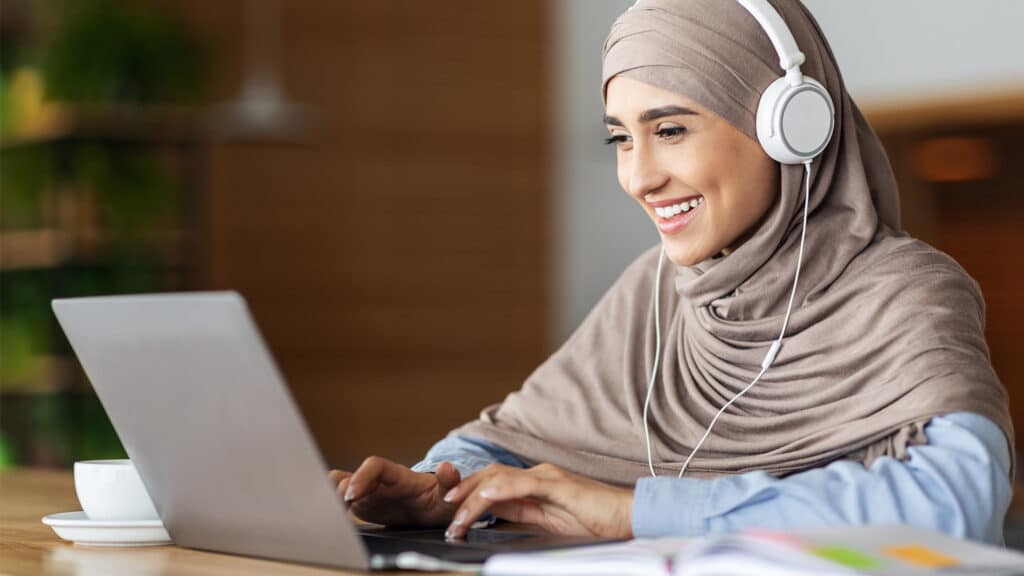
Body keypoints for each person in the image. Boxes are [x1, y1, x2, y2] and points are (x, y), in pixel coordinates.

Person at [329, 0, 1015, 545]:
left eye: (671, 130)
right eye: (621, 137)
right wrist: (443, 485)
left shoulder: (907, 289)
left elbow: (952, 503)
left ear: (789, 128)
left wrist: (635, 511)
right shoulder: (657, 290)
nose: (639, 176)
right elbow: (504, 437)